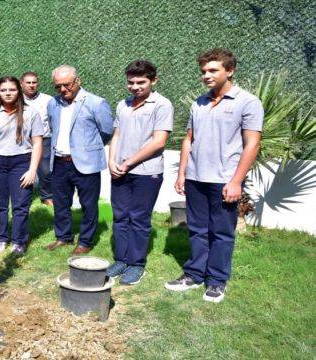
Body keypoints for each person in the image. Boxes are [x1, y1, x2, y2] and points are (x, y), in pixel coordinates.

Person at [165, 48, 263, 303]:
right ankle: (194, 274)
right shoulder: (199, 102)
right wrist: (183, 173)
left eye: (212, 70)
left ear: (229, 70)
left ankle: (217, 282)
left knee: (221, 232)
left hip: (224, 180)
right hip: (196, 178)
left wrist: (236, 181)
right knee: (197, 229)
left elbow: (252, 144)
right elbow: (189, 140)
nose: (206, 76)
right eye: (203, 72)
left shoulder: (247, 102)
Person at [106, 60, 174, 285]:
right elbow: (116, 136)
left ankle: (136, 264)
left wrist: (127, 164)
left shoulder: (162, 105)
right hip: (120, 171)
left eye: (141, 82)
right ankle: (121, 260)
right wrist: (112, 161)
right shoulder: (122, 105)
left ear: (153, 81)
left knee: (138, 218)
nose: (135, 87)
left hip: (147, 173)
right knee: (120, 216)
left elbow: (159, 142)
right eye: (131, 82)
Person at [44, 65, 113, 255]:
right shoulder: (53, 104)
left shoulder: (96, 103)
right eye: (57, 87)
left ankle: (86, 241)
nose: (63, 90)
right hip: (59, 161)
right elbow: (53, 127)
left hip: (85, 163)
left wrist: (87, 149)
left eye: (67, 85)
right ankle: (63, 237)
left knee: (88, 205)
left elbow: (106, 131)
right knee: (60, 203)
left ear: (78, 81)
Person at [0, 76, 43, 255]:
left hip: (21, 162)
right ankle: (1, 239)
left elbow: (37, 143)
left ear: (19, 90)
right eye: (3, 90)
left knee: (20, 205)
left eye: (11, 89)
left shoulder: (31, 113)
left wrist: (32, 170)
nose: (8, 93)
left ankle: (19, 241)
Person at [21, 71, 54, 206]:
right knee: (22, 169)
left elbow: (54, 120)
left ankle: (47, 197)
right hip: (22, 141)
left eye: (34, 82)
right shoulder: (17, 99)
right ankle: (23, 197)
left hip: (44, 140)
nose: (31, 85)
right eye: (28, 82)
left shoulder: (48, 100)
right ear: (21, 83)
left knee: (45, 170)